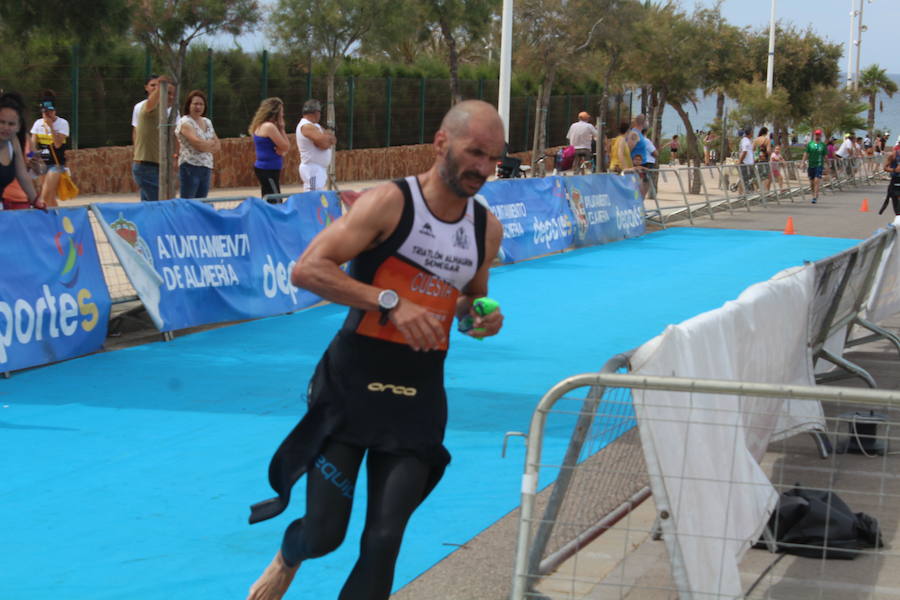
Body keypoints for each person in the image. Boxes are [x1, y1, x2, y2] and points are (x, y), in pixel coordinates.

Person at [246, 100, 506, 600]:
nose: (483, 168)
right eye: (475, 152)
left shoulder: (484, 229)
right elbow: (308, 270)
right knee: (325, 534)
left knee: (384, 540)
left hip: (418, 397)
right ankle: (289, 554)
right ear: (440, 144)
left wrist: (482, 319)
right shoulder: (390, 203)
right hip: (350, 388)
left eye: (493, 158)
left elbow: (469, 300)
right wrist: (390, 302)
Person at [132, 75, 176, 202]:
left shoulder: (167, 114)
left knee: (149, 206)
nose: (170, 97)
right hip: (146, 166)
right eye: (167, 93)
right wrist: (161, 84)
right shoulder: (148, 108)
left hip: (157, 165)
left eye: (172, 94)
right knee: (159, 204)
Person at [175, 90, 220, 199]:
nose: (198, 107)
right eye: (195, 104)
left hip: (206, 166)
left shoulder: (207, 121)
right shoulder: (185, 122)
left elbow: (218, 145)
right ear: (189, 105)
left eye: (201, 104)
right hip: (190, 167)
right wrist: (209, 144)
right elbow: (197, 144)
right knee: (189, 202)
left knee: (202, 201)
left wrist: (206, 144)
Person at [0, 92, 41, 209]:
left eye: (11, 124)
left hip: (20, 197)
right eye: (2, 122)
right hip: (8, 197)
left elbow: (25, 171)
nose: (6, 127)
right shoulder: (39, 125)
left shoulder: (17, 140)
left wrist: (36, 200)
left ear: (18, 126)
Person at [30, 91, 69, 208]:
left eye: (50, 111)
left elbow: (57, 144)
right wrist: (30, 158)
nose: (48, 114)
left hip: (56, 164)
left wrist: (51, 127)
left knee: (44, 196)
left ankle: (42, 217)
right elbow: (33, 144)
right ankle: (57, 220)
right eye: (45, 112)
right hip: (43, 163)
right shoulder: (37, 124)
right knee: (50, 198)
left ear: (55, 111)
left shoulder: (62, 123)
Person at [250, 97, 291, 201]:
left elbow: (282, 148)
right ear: (275, 112)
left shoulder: (263, 125)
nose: (283, 115)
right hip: (268, 169)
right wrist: (282, 128)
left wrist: (282, 150)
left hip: (269, 168)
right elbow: (286, 146)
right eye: (281, 112)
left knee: (271, 198)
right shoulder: (269, 127)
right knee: (275, 200)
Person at [296, 99, 336, 192]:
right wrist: (326, 139)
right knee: (312, 197)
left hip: (317, 169)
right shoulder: (306, 126)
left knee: (316, 196)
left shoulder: (315, 126)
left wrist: (326, 139)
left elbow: (333, 138)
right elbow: (324, 144)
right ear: (316, 113)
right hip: (312, 169)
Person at [131, 74, 158, 145]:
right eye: (152, 85)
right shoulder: (138, 107)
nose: (156, 88)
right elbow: (136, 130)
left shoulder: (169, 108)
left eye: (158, 85)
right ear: (146, 87)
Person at [803, 129, 826, 204]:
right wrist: (802, 162)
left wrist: (828, 165)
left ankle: (815, 196)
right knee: (812, 183)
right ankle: (813, 195)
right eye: (816, 134)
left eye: (819, 134)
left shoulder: (823, 145)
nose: (817, 136)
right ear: (814, 135)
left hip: (819, 165)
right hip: (811, 165)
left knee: (816, 181)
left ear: (820, 135)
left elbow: (825, 155)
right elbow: (806, 153)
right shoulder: (810, 144)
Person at [880, 144, 900, 216]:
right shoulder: (894, 155)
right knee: (897, 209)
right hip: (896, 182)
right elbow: (885, 167)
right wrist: (894, 170)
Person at [753, 127, 771, 191]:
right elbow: (768, 151)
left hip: (757, 160)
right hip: (764, 160)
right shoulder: (767, 140)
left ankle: (756, 190)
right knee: (767, 177)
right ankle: (766, 191)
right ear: (766, 132)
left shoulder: (755, 140)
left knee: (757, 176)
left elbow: (753, 150)